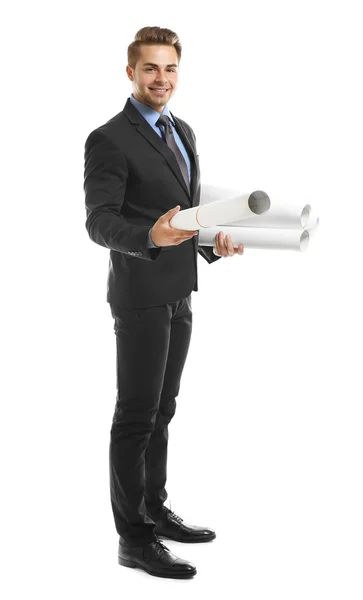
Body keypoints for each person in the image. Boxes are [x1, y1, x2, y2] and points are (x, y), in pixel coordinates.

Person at [83, 26, 244, 579]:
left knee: (163, 410)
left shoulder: (183, 130)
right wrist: (149, 237)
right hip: (139, 296)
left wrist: (214, 244)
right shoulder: (109, 138)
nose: (162, 79)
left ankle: (154, 507)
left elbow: (187, 213)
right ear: (130, 73)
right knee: (135, 415)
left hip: (180, 293)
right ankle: (134, 539)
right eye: (150, 69)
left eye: (170, 68)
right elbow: (99, 221)